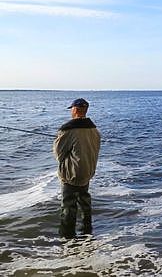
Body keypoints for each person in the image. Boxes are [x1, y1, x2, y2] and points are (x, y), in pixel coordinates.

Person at [53, 98, 101, 239]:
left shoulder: (68, 129)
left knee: (68, 206)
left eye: (72, 109)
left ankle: (67, 237)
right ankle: (87, 232)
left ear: (75, 109)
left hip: (71, 174)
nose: (71, 112)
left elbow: (58, 155)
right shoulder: (94, 130)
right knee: (85, 203)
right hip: (87, 172)